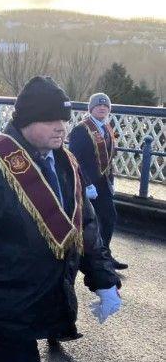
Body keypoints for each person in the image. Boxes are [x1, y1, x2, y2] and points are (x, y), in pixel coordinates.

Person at [0, 76, 122, 362]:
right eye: (50, 119)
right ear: (25, 120)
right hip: (1, 299)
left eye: (63, 118)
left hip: (43, 295)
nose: (61, 126)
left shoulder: (67, 161)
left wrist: (103, 278)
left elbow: (84, 226)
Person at [68, 93, 128, 270]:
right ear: (91, 109)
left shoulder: (107, 127)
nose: (102, 108)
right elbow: (75, 158)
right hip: (88, 183)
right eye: (98, 106)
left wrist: (111, 181)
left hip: (103, 182)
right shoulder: (81, 129)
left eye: (105, 106)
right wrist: (86, 183)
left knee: (109, 218)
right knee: (85, 222)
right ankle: (83, 258)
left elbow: (109, 158)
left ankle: (104, 256)